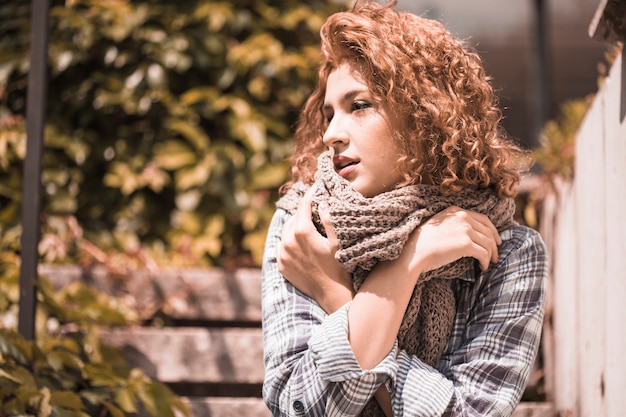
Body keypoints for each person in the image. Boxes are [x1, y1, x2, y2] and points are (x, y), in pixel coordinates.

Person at [261, 1, 547, 416]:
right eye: (328, 114)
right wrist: (402, 270)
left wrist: (338, 298)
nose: (331, 135)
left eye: (358, 106)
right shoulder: (304, 226)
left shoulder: (509, 252)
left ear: (424, 117)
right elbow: (298, 407)